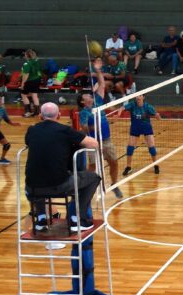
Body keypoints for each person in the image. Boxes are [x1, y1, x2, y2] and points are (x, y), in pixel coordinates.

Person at [25, 102, 101, 232]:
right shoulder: (65, 131)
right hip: (58, 186)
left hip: (31, 189)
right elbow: (94, 144)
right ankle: (78, 219)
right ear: (59, 115)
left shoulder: (31, 130)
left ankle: (41, 219)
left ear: (40, 116)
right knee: (93, 178)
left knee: (39, 176)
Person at [78, 58, 122, 198]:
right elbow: (83, 128)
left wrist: (97, 70)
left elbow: (102, 83)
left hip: (106, 139)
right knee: (92, 166)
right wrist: (92, 127)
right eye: (86, 95)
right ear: (82, 101)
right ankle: (85, 187)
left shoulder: (97, 99)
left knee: (114, 162)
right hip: (93, 141)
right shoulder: (84, 112)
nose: (89, 95)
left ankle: (114, 185)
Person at [121, 95, 161, 176]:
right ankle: (128, 167)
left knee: (152, 148)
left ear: (143, 97)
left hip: (146, 128)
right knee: (129, 148)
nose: (138, 98)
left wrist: (157, 116)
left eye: (140, 96)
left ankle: (156, 165)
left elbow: (158, 117)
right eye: (137, 96)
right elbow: (122, 108)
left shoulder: (148, 107)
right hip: (135, 128)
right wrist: (118, 114)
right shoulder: (132, 104)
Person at [20, 49, 41, 118]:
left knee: (23, 95)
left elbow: (26, 74)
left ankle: (28, 112)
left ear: (26, 55)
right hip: (37, 80)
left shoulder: (27, 64)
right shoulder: (36, 62)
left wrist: (23, 83)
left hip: (30, 81)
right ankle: (37, 112)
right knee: (34, 95)